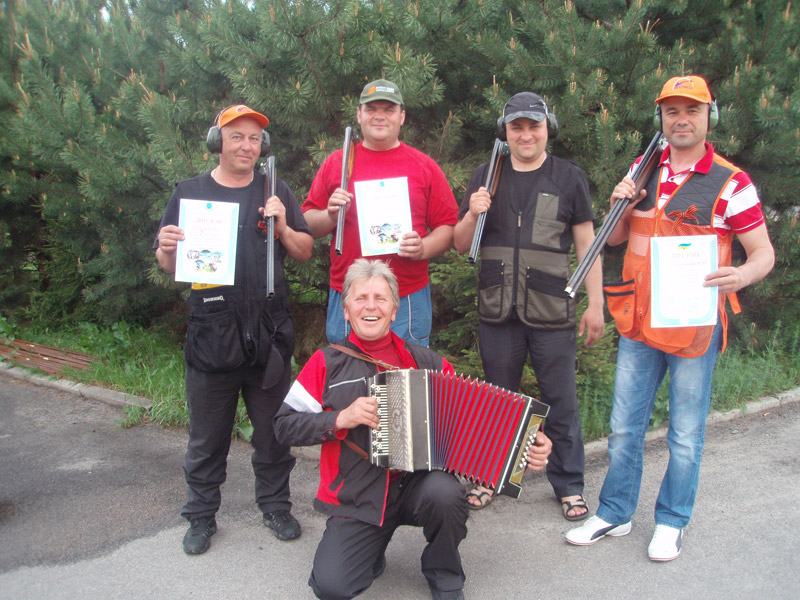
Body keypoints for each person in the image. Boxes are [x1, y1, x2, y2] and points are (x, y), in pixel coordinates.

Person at [565, 75, 775, 561]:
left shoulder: (731, 181)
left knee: (684, 433)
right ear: (661, 118)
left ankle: (671, 520)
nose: (681, 120)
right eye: (671, 111)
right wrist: (621, 203)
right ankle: (615, 513)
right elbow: (614, 242)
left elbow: (762, 253)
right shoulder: (644, 168)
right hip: (639, 322)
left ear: (709, 117)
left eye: (692, 111)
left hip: (694, 325)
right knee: (623, 427)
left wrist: (741, 276)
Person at [273, 259, 553, 600]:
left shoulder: (427, 362)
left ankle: (444, 573)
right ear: (346, 310)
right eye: (361, 298)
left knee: (446, 494)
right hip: (358, 497)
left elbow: (478, 418)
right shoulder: (326, 363)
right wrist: (338, 419)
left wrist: (528, 447)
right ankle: (371, 552)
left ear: (394, 310)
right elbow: (283, 426)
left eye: (380, 298)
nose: (371, 306)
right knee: (331, 587)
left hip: (417, 486)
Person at [154, 104, 313, 555]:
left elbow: (303, 250)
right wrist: (167, 247)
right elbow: (168, 263)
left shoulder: (274, 189)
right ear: (217, 141)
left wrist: (282, 223)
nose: (247, 145)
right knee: (207, 437)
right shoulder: (189, 192)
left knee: (272, 433)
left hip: (268, 333)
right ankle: (201, 517)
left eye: (254, 138)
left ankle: (276, 506)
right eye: (236, 136)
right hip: (213, 332)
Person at [453, 92, 604, 519]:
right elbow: (462, 244)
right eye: (516, 126)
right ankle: (490, 476)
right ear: (505, 131)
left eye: (533, 126)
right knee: (498, 401)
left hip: (552, 310)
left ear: (546, 129)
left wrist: (597, 303)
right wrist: (471, 213)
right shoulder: (487, 175)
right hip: (497, 309)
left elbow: (587, 246)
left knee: (561, 401)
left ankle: (569, 485)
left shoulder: (569, 177)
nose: (525, 134)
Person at [302, 79, 459, 346]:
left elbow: (449, 228)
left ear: (402, 117)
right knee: (347, 380)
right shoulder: (337, 164)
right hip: (349, 294)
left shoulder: (424, 166)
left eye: (388, 109)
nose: (379, 116)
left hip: (406, 296)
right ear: (359, 115)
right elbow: (307, 223)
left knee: (406, 381)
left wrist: (423, 247)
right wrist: (330, 216)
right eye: (372, 108)